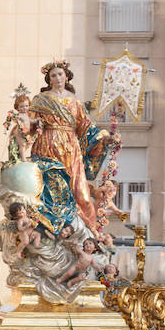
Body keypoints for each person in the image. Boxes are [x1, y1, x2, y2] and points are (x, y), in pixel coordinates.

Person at [28, 59, 121, 234]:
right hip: (47, 146)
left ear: (66, 77)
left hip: (71, 149)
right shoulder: (41, 99)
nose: (57, 78)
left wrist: (104, 138)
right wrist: (23, 122)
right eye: (53, 75)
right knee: (49, 188)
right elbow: (30, 125)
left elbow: (86, 127)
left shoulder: (74, 101)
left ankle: (87, 232)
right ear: (48, 79)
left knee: (81, 194)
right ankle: (50, 228)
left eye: (60, 74)